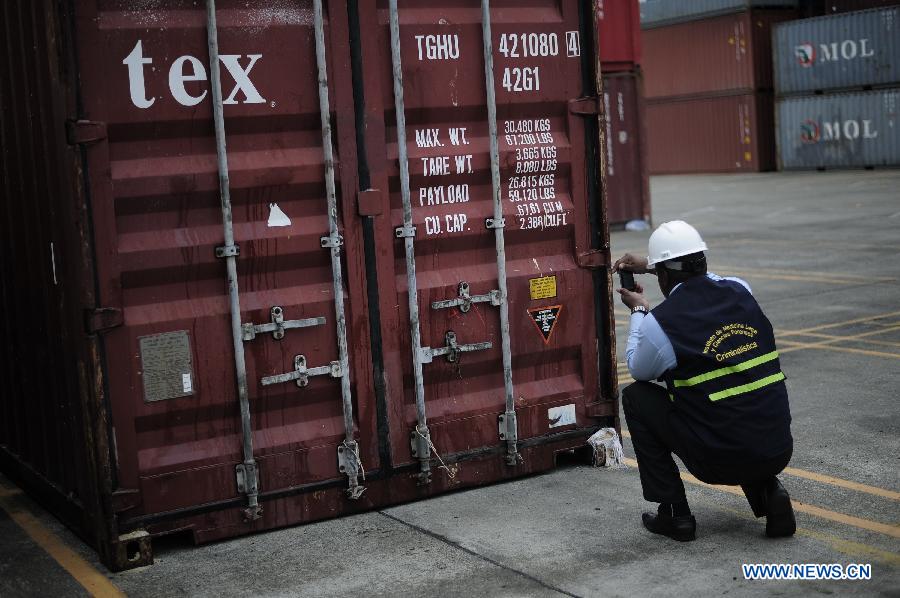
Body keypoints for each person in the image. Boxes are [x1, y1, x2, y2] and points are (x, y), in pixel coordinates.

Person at [615, 220, 795, 542]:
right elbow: (705, 277)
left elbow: (638, 368)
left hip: (717, 461)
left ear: (664, 276)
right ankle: (769, 491)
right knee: (739, 399)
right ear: (704, 261)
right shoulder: (741, 289)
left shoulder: (661, 324)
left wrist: (640, 311)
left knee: (636, 397)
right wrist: (653, 264)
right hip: (777, 449)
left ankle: (675, 514)